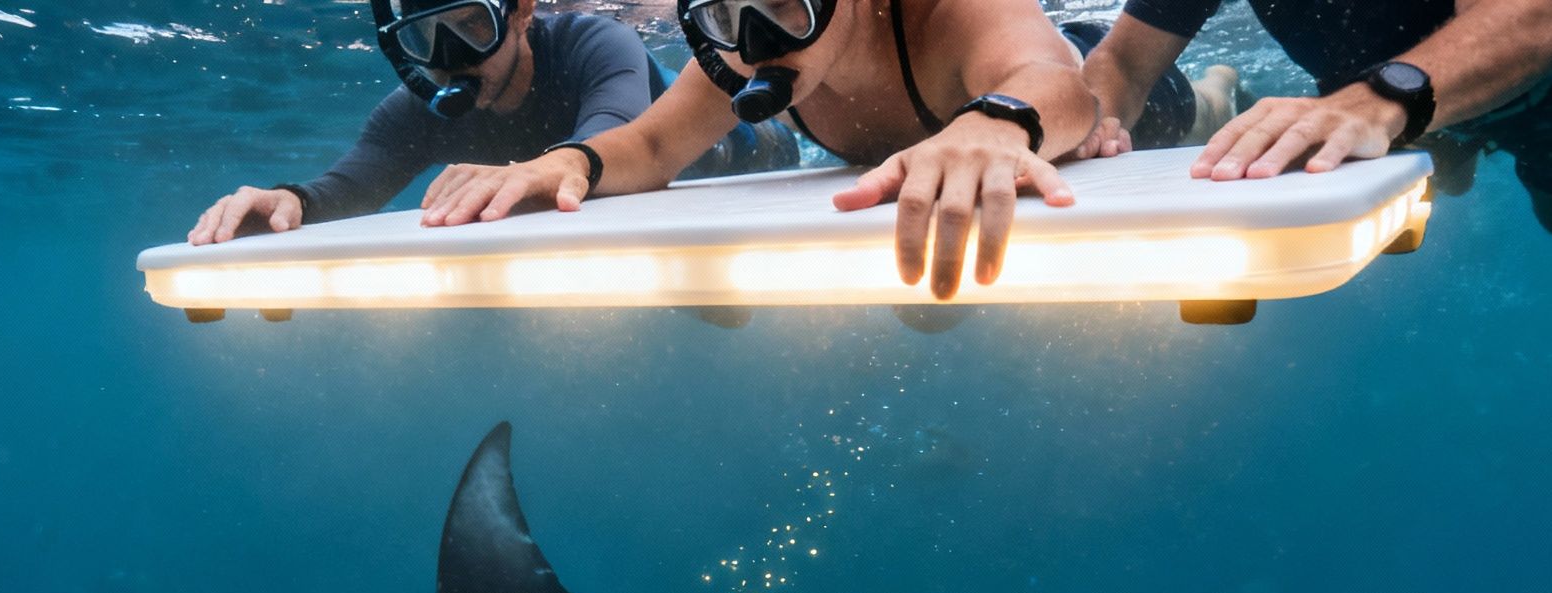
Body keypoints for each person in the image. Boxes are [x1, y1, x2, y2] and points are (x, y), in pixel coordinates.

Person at [418, 0, 1239, 301]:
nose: (757, 40)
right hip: (951, 141)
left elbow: (1063, 88)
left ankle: (1214, 91)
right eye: (726, 15)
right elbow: (652, 143)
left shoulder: (942, 12)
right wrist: (571, 163)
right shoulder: (748, 43)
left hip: (1085, 90)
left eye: (784, 4)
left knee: (1163, 110)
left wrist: (991, 127)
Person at [187, 0, 798, 245]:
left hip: (742, 151)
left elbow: (613, 132)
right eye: (426, 36)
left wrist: (552, 167)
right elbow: (351, 187)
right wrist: (286, 200)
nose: (451, 55)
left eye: (472, 25)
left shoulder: (594, 42)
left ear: (523, 11)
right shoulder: (416, 111)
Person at [1078, 0, 1552, 243]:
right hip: (1370, 81)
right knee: (1443, 179)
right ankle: (1449, 144)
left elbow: (1541, 18)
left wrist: (1379, 104)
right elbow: (1125, 63)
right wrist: (1087, 130)